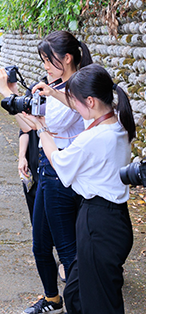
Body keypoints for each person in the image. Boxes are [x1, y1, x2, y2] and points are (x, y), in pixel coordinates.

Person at [19, 63, 136, 314]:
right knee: (75, 292)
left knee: (99, 303)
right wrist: (53, 93)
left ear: (91, 101)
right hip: (113, 219)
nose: (72, 105)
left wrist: (41, 129)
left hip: (99, 222)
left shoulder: (92, 138)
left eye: (75, 100)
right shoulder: (116, 122)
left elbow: (59, 162)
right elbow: (80, 107)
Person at [0, 30, 92, 314]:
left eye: (48, 60)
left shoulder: (76, 89)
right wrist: (17, 98)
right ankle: (52, 300)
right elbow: (30, 124)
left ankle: (80, 305)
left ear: (67, 58)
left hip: (62, 176)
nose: (45, 66)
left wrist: (7, 94)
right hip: (47, 171)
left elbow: (38, 126)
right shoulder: (54, 85)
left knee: (68, 252)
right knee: (40, 246)